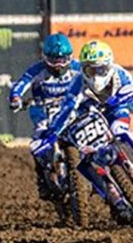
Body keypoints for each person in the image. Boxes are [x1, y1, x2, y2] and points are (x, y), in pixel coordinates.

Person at [34, 40, 133, 199]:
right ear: (83, 69)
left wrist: (120, 98)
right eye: (90, 70)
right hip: (90, 116)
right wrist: (53, 132)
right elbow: (67, 109)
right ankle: (111, 197)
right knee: (87, 153)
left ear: (109, 66)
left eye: (100, 70)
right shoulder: (77, 82)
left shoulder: (120, 74)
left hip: (115, 111)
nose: (96, 76)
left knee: (121, 131)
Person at [9, 33, 83, 201]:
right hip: (43, 110)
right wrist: (15, 98)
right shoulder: (37, 70)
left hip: (70, 108)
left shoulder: (78, 68)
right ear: (45, 58)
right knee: (38, 143)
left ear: (70, 57)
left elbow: (92, 80)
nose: (59, 65)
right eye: (54, 61)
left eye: (63, 60)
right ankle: (42, 180)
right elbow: (20, 85)